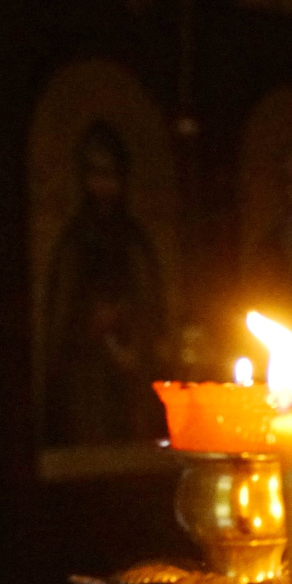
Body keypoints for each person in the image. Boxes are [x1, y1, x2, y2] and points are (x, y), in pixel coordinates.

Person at [38, 120, 169, 448]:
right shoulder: (73, 241)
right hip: (85, 374)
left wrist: (127, 323)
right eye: (95, 174)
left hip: (132, 366)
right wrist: (90, 322)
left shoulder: (134, 240)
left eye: (110, 174)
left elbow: (152, 304)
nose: (102, 184)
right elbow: (59, 315)